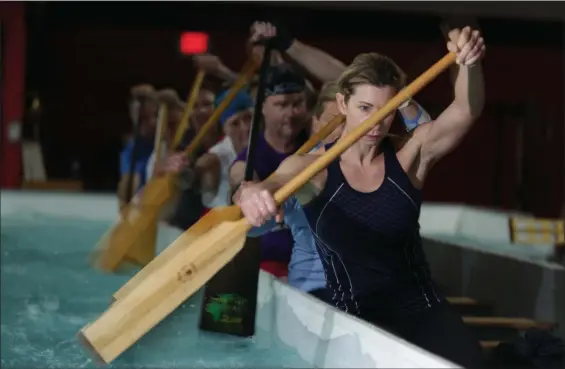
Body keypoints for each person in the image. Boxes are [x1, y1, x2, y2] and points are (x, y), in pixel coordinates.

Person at [234, 27, 486, 368]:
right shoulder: (312, 169)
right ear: (342, 103)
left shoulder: (410, 155)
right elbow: (271, 183)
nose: (376, 123)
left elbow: (466, 110)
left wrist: (469, 64)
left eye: (387, 109)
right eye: (364, 108)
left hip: (423, 308)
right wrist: (250, 193)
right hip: (352, 317)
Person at [229, 63, 309, 279]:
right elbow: (239, 178)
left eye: (297, 103)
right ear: (262, 107)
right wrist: (246, 191)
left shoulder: (318, 145)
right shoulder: (247, 161)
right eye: (282, 105)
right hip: (265, 272)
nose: (291, 113)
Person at [117, 83, 158, 211]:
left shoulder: (164, 130)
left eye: (145, 100)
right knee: (129, 182)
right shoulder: (129, 147)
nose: (140, 106)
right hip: (136, 194)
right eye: (137, 101)